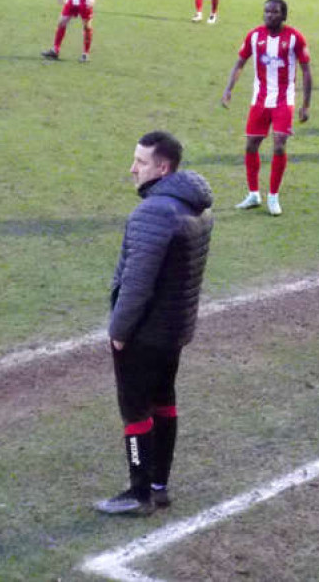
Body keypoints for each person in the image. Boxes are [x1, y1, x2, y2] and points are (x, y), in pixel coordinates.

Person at [95, 131, 214, 516]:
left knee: (135, 410)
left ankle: (139, 493)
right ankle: (159, 485)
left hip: (144, 331)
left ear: (163, 168)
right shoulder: (197, 207)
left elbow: (136, 282)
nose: (132, 169)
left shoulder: (153, 212)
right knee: (164, 400)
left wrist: (118, 331)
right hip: (173, 329)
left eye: (140, 162)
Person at [222, 0, 312, 216]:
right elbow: (240, 63)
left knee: (279, 145)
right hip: (260, 100)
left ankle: (273, 196)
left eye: (274, 12)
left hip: (284, 100)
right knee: (251, 145)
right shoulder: (254, 36)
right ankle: (254, 194)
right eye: (267, 12)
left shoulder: (294, 38)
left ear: (283, 15)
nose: (269, 15)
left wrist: (306, 105)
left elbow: (306, 71)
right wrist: (228, 89)